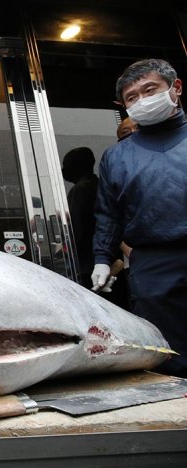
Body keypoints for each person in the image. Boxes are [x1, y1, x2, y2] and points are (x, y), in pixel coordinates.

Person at [92, 58, 187, 378]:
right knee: (167, 355)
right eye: (132, 97)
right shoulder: (117, 156)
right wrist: (102, 258)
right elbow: (108, 213)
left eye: (150, 90)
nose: (142, 100)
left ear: (176, 89)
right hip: (153, 265)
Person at [61, 147, 98, 286]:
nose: (63, 170)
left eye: (66, 165)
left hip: (85, 264)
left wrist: (65, 251)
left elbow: (76, 229)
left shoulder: (81, 189)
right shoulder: (96, 185)